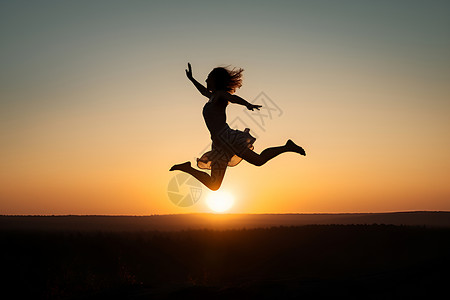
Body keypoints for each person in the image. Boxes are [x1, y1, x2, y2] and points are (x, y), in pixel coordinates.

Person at [170, 63, 306, 191]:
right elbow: (202, 91)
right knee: (214, 185)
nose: (205, 80)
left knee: (258, 160)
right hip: (218, 144)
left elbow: (234, 98)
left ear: (216, 81)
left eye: (208, 78)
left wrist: (247, 104)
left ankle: (287, 146)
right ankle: (187, 168)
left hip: (228, 140)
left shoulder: (220, 95)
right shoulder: (212, 97)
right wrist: (191, 79)